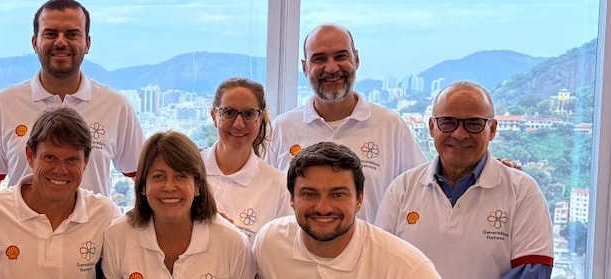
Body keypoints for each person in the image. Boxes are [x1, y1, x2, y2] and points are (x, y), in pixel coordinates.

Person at [376, 81, 553, 279]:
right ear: (432, 127)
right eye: (448, 122)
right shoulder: (402, 188)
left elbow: (532, 272)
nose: (459, 134)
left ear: (492, 129)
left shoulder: (523, 191)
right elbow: (380, 264)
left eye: (474, 124)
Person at [0, 0, 144, 195]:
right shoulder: (3, 105)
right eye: (51, 33)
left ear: (87, 43)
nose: (61, 42)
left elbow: (143, 180)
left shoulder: (115, 106)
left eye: (72, 34)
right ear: (35, 42)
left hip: (95, 225)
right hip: (19, 225)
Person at [264, 24, 426, 222]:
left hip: (370, 251)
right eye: (319, 59)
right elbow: (263, 196)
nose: (331, 68)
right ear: (305, 68)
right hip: (294, 251)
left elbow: (419, 194)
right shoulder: (282, 128)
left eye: (341, 56)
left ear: (356, 60)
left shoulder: (391, 127)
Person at [0, 107, 119, 278]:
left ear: (85, 161)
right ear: (30, 155)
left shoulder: (104, 215)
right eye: (50, 158)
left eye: (71, 160)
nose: (60, 170)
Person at [253, 142, 440, 279]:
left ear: (359, 199)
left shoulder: (407, 269)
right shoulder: (270, 243)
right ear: (292, 199)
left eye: (338, 195)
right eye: (310, 194)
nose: (323, 208)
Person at [102, 131, 256, 278]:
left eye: (181, 176)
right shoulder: (117, 237)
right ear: (142, 186)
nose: (169, 187)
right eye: (158, 176)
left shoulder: (234, 243)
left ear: (197, 186)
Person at [204, 77, 291, 237]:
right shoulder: (188, 170)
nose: (238, 123)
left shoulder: (279, 187)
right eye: (229, 113)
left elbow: (282, 251)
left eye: (249, 114)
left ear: (261, 119)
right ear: (214, 117)